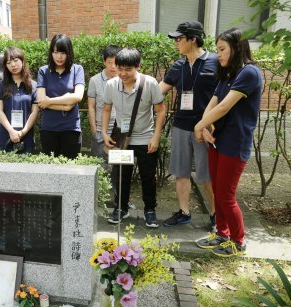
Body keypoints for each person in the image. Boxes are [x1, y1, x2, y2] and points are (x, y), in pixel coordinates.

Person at [194, 28, 262, 257]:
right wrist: (204, 125)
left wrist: (198, 126)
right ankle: (222, 233)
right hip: (218, 140)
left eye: (222, 49)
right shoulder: (228, 75)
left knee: (226, 195)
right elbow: (213, 103)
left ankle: (238, 240)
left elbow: (225, 107)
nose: (218, 55)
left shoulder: (250, 73)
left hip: (235, 144)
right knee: (216, 189)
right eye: (217, 50)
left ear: (238, 47)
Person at [159, 20, 217, 229]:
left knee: (207, 176)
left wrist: (211, 124)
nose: (176, 42)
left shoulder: (215, 62)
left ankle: (215, 215)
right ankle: (184, 212)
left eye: (179, 38)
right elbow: (158, 91)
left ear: (193, 39)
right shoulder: (178, 66)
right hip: (181, 126)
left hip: (205, 128)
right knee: (181, 172)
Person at [102, 48, 165, 228]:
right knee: (121, 175)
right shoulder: (111, 85)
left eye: (128, 69)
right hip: (122, 140)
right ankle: (121, 208)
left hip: (146, 139)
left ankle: (150, 210)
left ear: (138, 66)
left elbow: (161, 111)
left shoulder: (150, 83)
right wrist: (105, 133)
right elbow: (106, 109)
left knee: (148, 176)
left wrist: (156, 137)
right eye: (120, 68)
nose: (123, 73)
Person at [37, 33, 85, 159]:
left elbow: (78, 96)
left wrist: (50, 101)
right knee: (50, 169)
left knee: (72, 168)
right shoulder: (43, 71)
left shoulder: (77, 69)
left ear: (69, 53)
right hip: (49, 128)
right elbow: (41, 102)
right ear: (51, 53)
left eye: (63, 53)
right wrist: (66, 105)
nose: (59, 56)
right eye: (55, 52)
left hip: (71, 129)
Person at [0, 47, 38, 154]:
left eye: (15, 60)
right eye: (9, 62)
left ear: (22, 61)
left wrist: (22, 132)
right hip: (6, 136)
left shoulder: (33, 85)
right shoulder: (0, 85)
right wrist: (11, 131)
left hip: (27, 137)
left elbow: (34, 112)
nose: (13, 65)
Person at [87, 45, 121, 157]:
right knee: (101, 167)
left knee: (118, 169)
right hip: (101, 131)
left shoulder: (125, 80)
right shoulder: (94, 80)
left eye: (116, 63)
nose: (113, 66)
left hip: (120, 131)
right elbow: (91, 106)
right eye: (109, 62)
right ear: (104, 61)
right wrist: (94, 130)